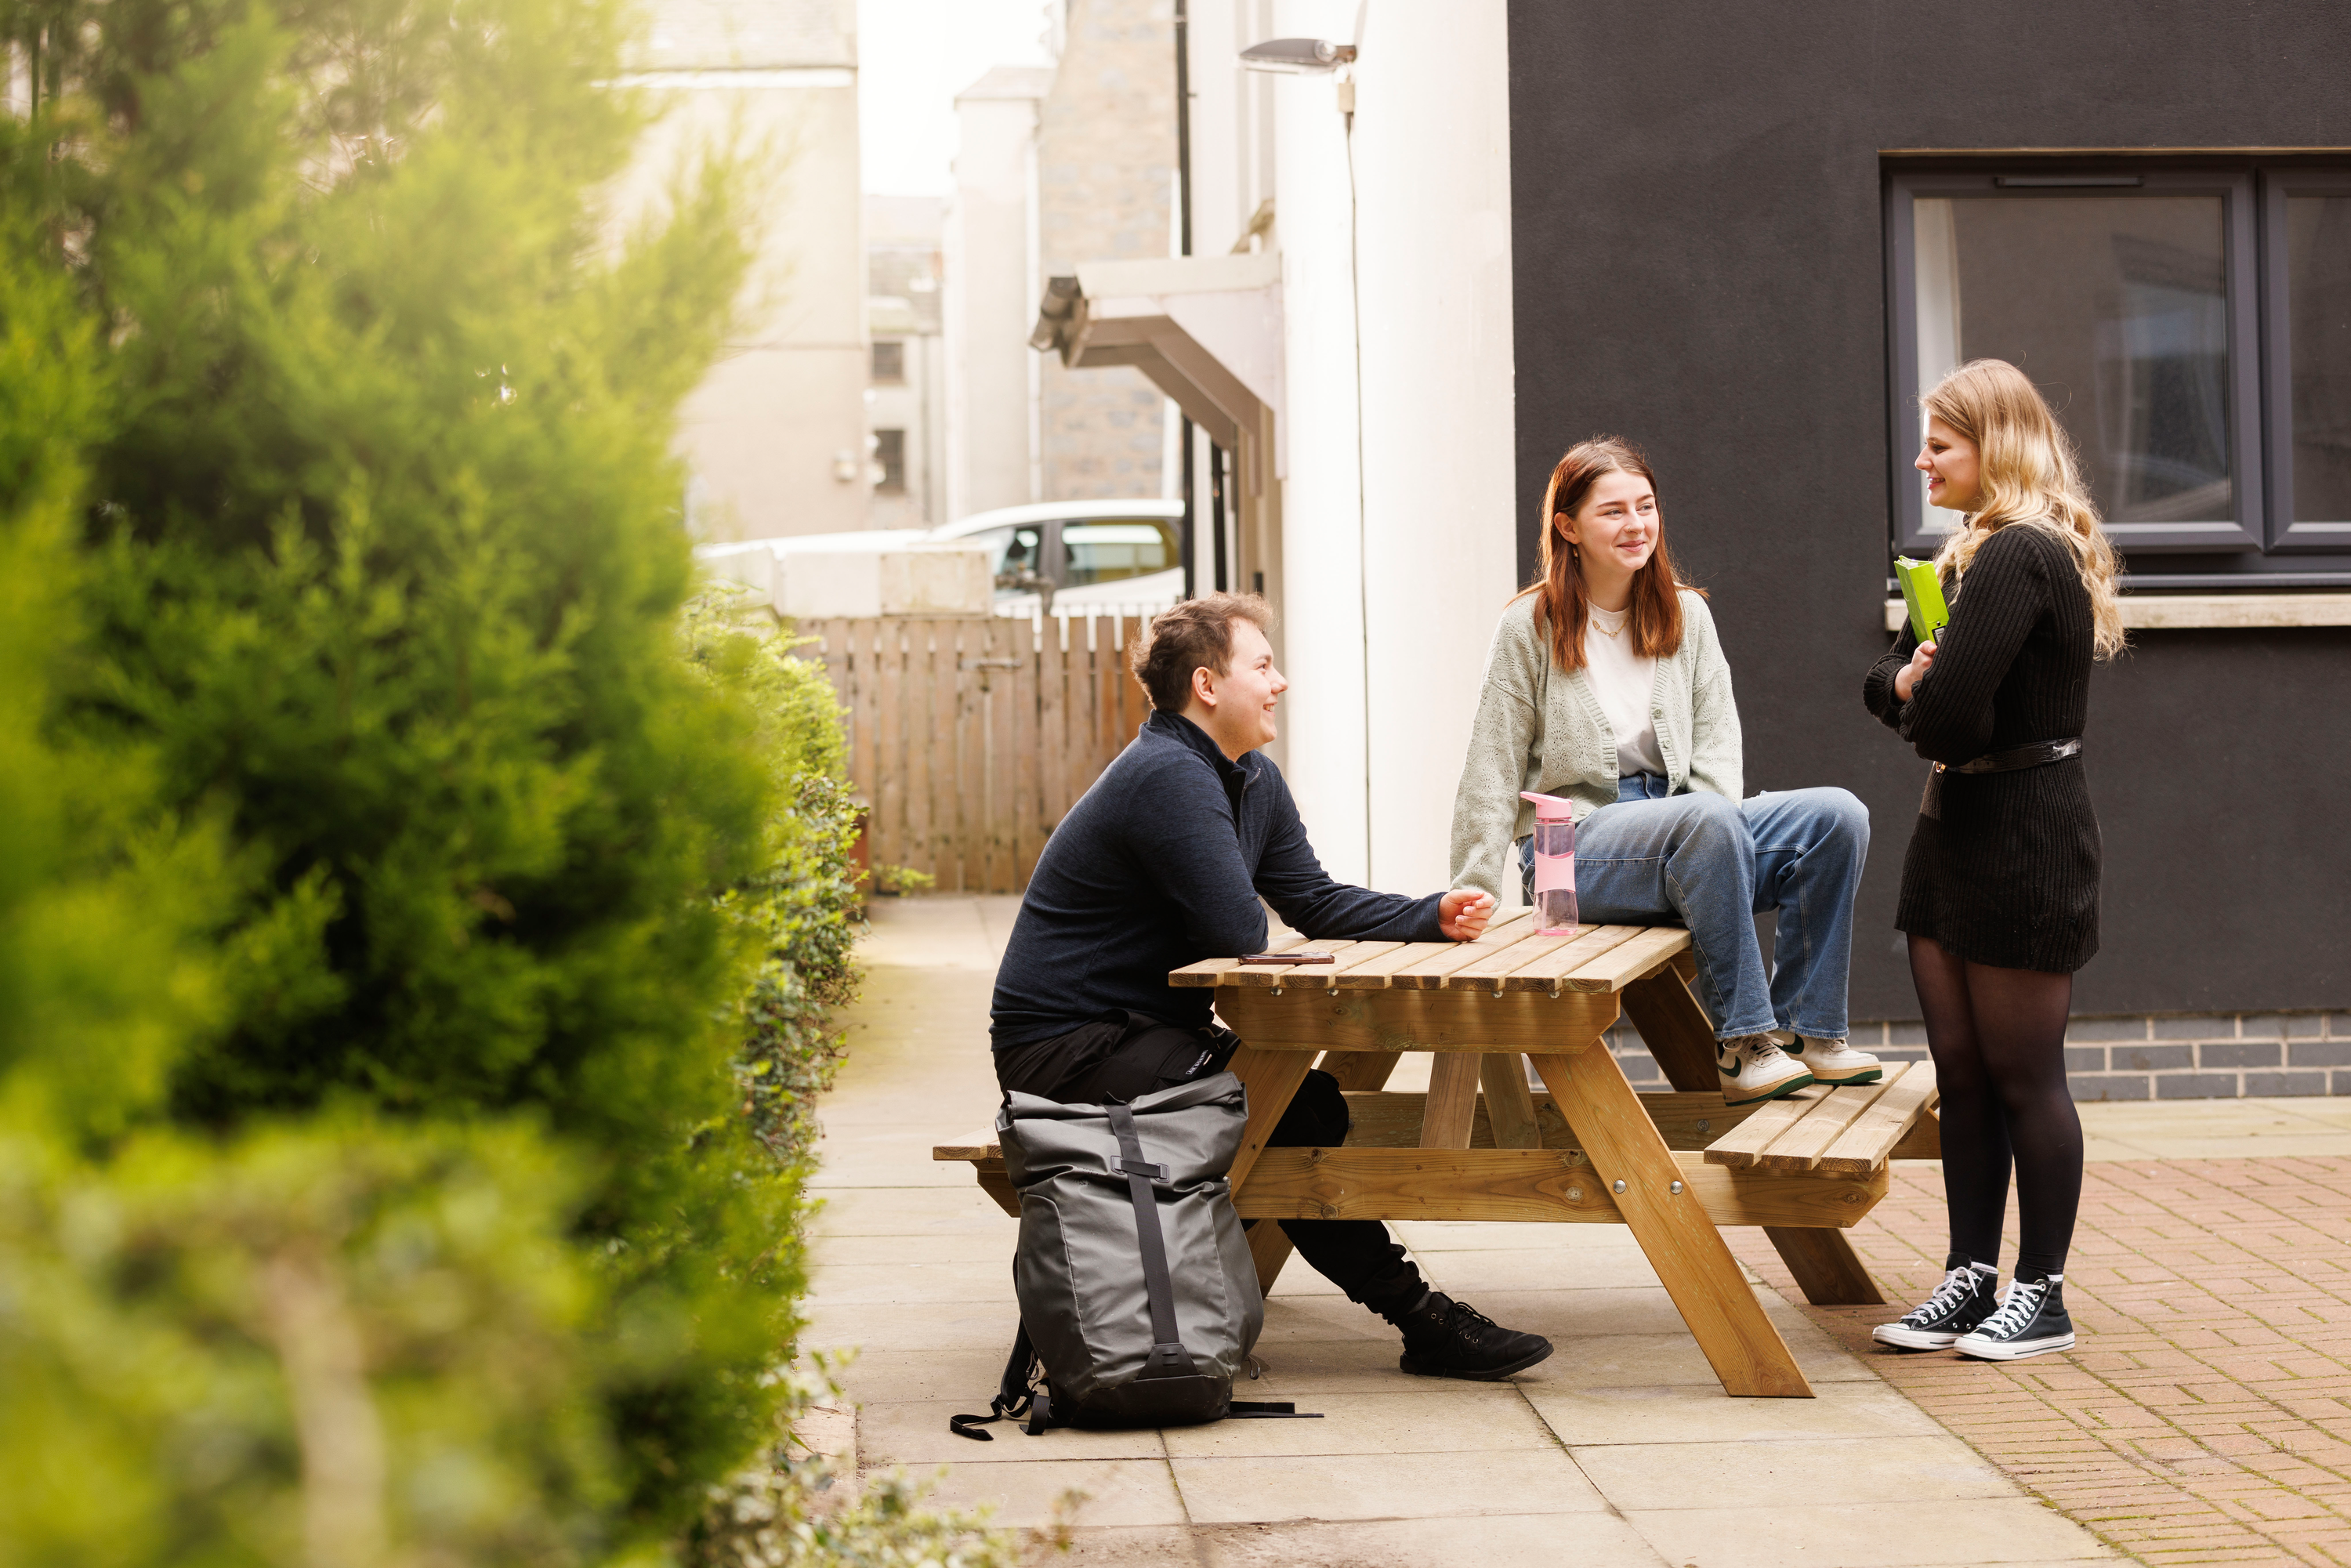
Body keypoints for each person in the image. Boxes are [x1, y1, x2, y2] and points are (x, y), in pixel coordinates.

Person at [990, 592, 1554, 1382]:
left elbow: (1314, 901)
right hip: (1069, 1047)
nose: (1280, 681)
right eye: (1262, 665)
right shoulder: (1168, 775)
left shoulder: (1249, 776)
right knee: (1284, 1107)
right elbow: (1236, 934)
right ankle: (1422, 1317)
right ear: (1208, 686)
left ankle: (1233, 1294)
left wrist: (1433, 915)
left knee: (1307, 1103)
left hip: (1140, 1033)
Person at [1449, 436, 1878, 1106]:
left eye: (1646, 507)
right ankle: (1744, 1043)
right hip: (1573, 848)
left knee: (1836, 817)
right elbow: (1491, 764)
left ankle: (1806, 1032)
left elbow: (1717, 747)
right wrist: (1470, 888)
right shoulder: (1527, 626)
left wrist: (1717, 841)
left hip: (1687, 828)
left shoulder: (1687, 614)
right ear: (1567, 527)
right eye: (1613, 511)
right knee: (1704, 820)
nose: (1636, 525)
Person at [1864, 360, 2122, 1363]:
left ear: (1994, 447)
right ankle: (1970, 1280)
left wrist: (1911, 698)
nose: (1922, 460)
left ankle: (2041, 1295)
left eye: (1941, 444)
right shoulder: (1974, 558)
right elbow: (1900, 685)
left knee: (2024, 1076)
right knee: (1962, 1078)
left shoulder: (2020, 554)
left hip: (2024, 833)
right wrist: (1908, 689)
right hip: (1955, 832)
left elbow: (1949, 717)